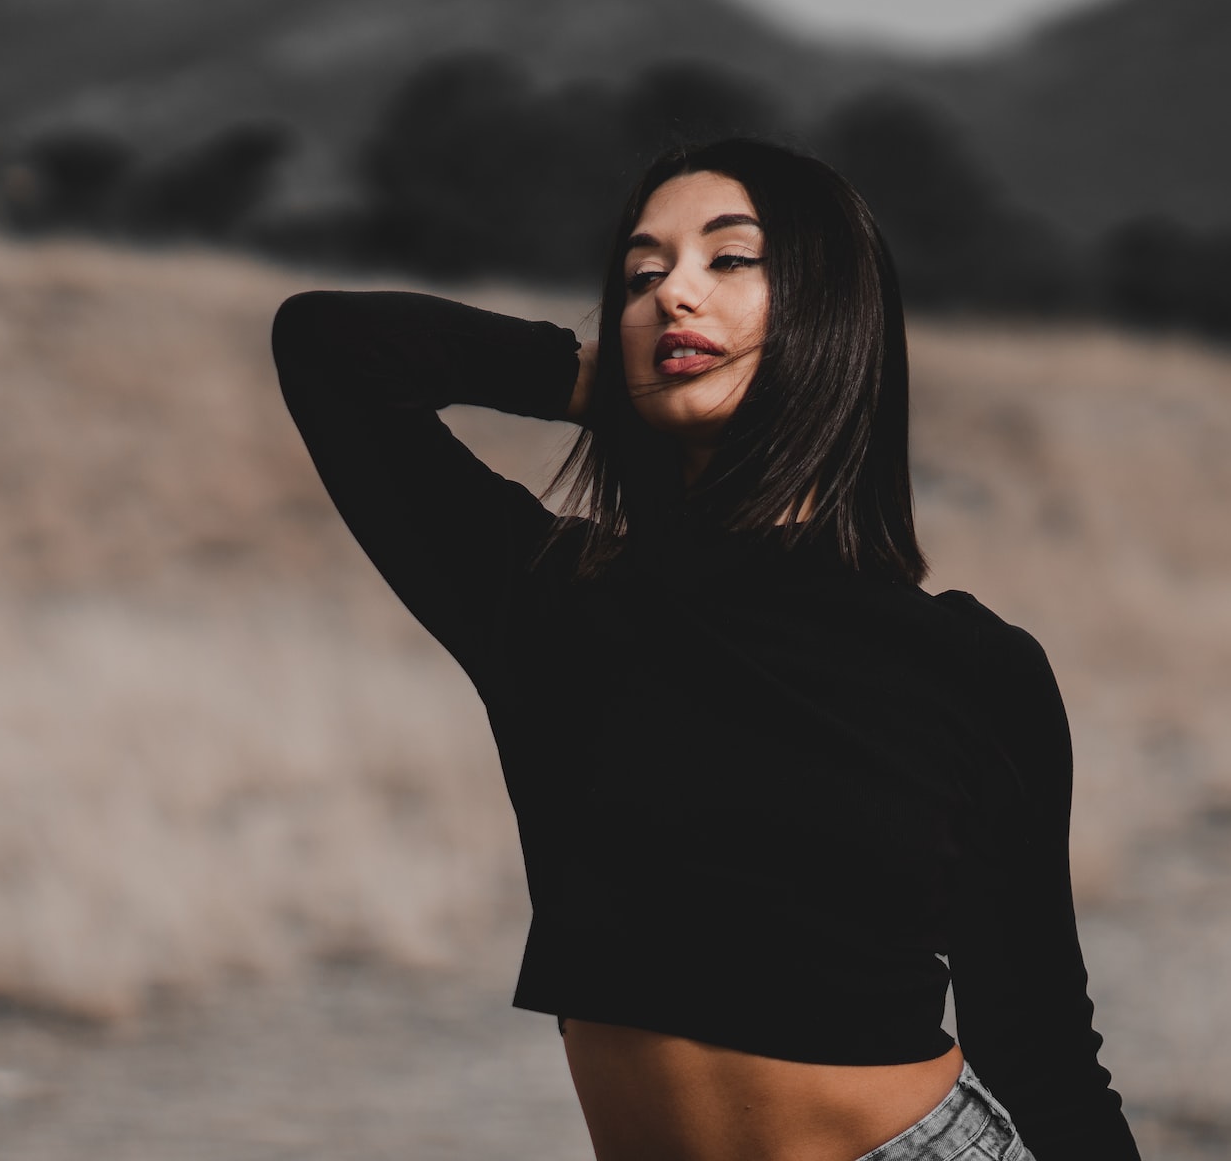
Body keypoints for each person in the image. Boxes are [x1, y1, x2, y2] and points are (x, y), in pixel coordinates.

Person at [270, 138, 1140, 1161]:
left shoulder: (974, 666)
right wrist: (596, 379)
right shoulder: (547, 597)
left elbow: (1042, 1047)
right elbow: (329, 346)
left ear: (831, 310)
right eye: (642, 274)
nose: (672, 292)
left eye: (730, 259)